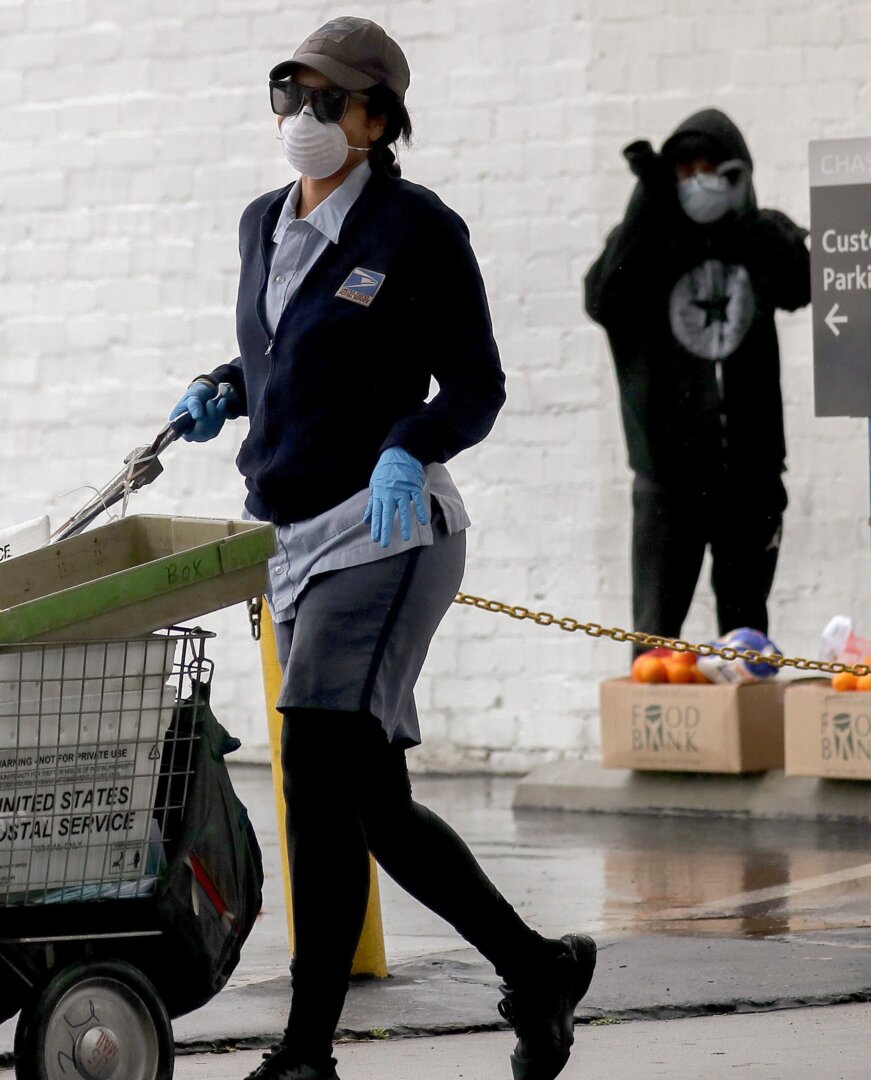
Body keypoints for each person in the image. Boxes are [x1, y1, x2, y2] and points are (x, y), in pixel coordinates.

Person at [171, 17, 597, 1080]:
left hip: (387, 529)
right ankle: (536, 966)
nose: (303, 119)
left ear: (378, 120)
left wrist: (411, 444)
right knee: (375, 803)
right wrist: (227, 387)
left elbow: (477, 387)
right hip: (294, 540)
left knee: (314, 770)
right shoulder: (261, 223)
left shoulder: (416, 230)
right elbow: (289, 342)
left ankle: (309, 1051)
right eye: (290, 94)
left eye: (329, 101)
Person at [584, 110, 810, 651]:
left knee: (747, 637)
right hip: (667, 480)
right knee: (656, 638)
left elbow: (801, 287)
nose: (701, 181)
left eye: (716, 169)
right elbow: (602, 300)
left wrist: (748, 218)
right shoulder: (641, 245)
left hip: (751, 475)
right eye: (687, 170)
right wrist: (651, 198)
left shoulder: (756, 237)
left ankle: (744, 735)